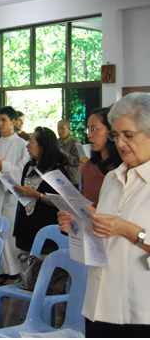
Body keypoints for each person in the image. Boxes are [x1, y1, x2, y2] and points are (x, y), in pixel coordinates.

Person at [58, 93, 150, 337]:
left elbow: (121, 229)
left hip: (140, 307)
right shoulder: (112, 178)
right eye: (116, 135)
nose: (120, 144)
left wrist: (129, 230)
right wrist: (79, 224)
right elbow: (103, 234)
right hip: (100, 303)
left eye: (128, 135)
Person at [0, 106, 30, 278]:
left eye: (3, 120)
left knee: (10, 233)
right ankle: (2, 270)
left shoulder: (22, 145)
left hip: (13, 197)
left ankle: (15, 271)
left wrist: (3, 166)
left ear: (13, 122)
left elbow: (22, 171)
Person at [13, 127, 69, 253]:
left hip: (46, 226)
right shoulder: (29, 166)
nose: (27, 145)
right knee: (25, 261)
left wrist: (38, 195)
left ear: (43, 146)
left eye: (31, 142)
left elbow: (63, 202)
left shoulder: (56, 170)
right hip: (26, 225)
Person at [80, 108, 122, 206]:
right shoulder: (88, 167)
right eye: (88, 130)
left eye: (94, 129)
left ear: (111, 131)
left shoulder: (124, 169)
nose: (89, 136)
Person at [56, 119, 82, 186]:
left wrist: (63, 152)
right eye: (58, 128)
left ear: (69, 129)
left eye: (62, 128)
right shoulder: (56, 142)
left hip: (72, 179)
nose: (59, 131)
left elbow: (78, 161)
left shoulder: (77, 143)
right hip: (60, 178)